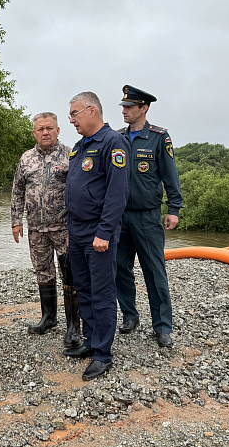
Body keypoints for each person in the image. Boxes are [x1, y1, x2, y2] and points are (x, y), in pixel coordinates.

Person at [64, 91, 130, 381]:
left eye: (75, 113)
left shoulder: (112, 142)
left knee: (102, 292)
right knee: (84, 289)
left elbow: (117, 193)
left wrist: (104, 231)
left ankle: (103, 353)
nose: (71, 120)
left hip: (98, 231)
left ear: (92, 111)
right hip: (76, 231)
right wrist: (69, 232)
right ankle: (91, 341)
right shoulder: (79, 147)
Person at [115, 85, 183, 348]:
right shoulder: (117, 138)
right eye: (123, 106)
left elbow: (170, 175)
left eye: (130, 107)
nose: (125, 111)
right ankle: (130, 316)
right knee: (121, 269)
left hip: (147, 216)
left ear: (144, 108)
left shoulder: (158, 137)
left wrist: (174, 209)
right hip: (119, 217)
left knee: (154, 271)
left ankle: (163, 325)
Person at [11, 112, 81, 347]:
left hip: (64, 228)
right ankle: (49, 317)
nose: (45, 132)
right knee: (43, 273)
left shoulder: (71, 154)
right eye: (40, 129)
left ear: (58, 130)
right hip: (36, 229)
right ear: (34, 133)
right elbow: (17, 191)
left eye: (49, 128)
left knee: (69, 275)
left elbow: (79, 191)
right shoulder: (26, 158)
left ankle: (73, 326)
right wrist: (16, 221)